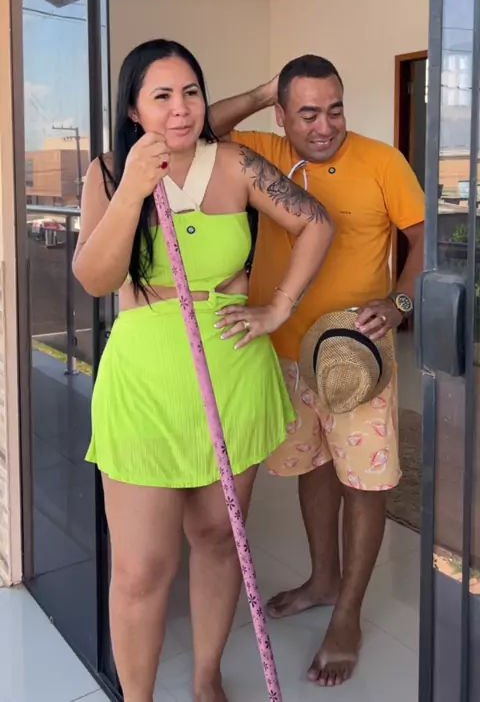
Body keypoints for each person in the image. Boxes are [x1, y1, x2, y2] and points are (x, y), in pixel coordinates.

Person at [73, 40, 335, 702]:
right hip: (145, 384)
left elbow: (317, 224)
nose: (181, 108)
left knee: (219, 538)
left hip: (232, 370)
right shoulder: (108, 172)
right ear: (133, 109)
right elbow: (96, 278)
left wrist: (278, 307)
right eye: (161, 95)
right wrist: (133, 190)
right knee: (142, 567)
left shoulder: (237, 163)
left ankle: (207, 676)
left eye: (190, 91)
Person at [208, 54, 425, 688]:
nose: (325, 126)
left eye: (334, 109)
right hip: (285, 351)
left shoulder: (383, 161)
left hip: (358, 355)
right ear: (281, 114)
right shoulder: (264, 152)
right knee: (314, 467)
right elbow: (203, 129)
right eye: (306, 113)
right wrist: (260, 88)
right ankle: (323, 579)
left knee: (365, 483)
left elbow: (423, 239)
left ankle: (348, 615)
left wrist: (400, 301)